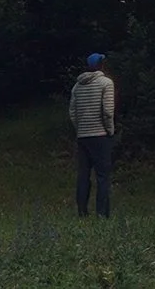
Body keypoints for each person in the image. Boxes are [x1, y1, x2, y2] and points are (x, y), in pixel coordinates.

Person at [69, 52, 116, 218]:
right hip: (100, 135)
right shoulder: (106, 83)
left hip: (82, 136)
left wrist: (80, 129)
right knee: (102, 176)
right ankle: (102, 214)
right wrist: (109, 130)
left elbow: (73, 112)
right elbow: (108, 112)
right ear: (102, 65)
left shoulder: (77, 86)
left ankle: (82, 212)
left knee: (83, 175)